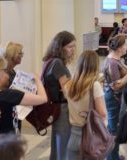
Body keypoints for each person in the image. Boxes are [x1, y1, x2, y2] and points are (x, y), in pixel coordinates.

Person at [0, 53, 47, 134]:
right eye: (5, 71)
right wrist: (37, 79)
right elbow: (43, 99)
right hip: (7, 142)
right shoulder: (7, 95)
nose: (7, 74)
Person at [65, 50, 107, 159]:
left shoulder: (69, 85)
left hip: (73, 135)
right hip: (90, 136)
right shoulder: (95, 85)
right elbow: (102, 112)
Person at [102, 34, 127, 160]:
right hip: (113, 98)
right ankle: (112, 157)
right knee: (113, 129)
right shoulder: (112, 62)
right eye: (126, 44)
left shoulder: (116, 59)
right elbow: (116, 85)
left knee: (115, 126)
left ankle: (114, 155)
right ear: (119, 48)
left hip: (116, 98)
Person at [42, 31, 76, 160]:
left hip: (56, 106)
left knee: (58, 141)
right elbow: (67, 92)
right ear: (60, 47)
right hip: (62, 107)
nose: (73, 50)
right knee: (64, 142)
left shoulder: (50, 60)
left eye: (74, 46)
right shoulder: (58, 63)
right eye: (69, 47)